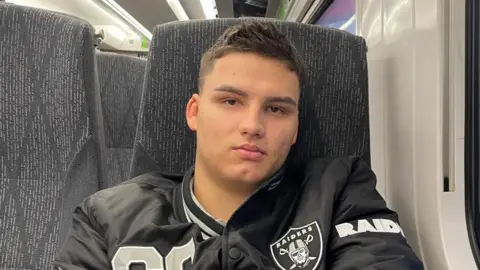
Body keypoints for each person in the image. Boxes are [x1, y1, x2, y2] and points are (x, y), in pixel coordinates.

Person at [53, 20, 424, 270]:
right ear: (195, 113)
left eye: (276, 109)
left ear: (295, 129)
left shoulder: (339, 192)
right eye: (231, 101)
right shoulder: (107, 216)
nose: (253, 125)